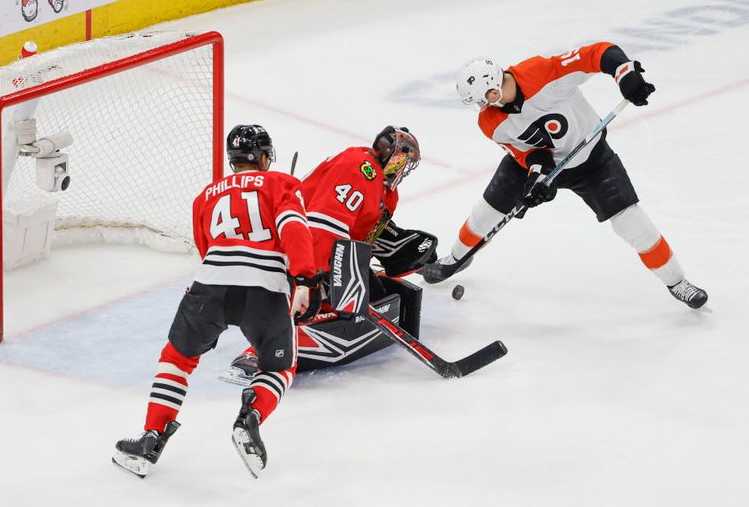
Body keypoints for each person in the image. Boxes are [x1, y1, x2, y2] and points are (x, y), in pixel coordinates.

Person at [420, 43, 708, 309]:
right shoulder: (490, 122)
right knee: (487, 212)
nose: (482, 107)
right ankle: (456, 258)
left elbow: (596, 54)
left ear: (493, 88)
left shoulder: (540, 73)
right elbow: (528, 153)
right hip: (536, 167)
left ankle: (677, 282)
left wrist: (625, 74)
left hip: (592, 160)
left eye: (482, 99)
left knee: (632, 223)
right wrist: (538, 179)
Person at [112, 124, 323, 479]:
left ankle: (151, 439)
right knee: (279, 369)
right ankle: (250, 416)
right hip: (265, 289)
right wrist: (305, 278)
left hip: (210, 285)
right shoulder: (280, 184)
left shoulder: (207, 195)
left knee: (177, 359)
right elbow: (294, 229)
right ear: (265, 157)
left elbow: (205, 247)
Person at [222, 126, 436, 384]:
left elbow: (365, 236)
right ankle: (258, 353)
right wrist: (315, 277)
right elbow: (324, 223)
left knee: (379, 295)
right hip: (299, 253)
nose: (403, 168)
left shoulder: (384, 188)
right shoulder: (360, 167)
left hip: (325, 252)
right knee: (321, 304)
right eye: (403, 160)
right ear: (391, 153)